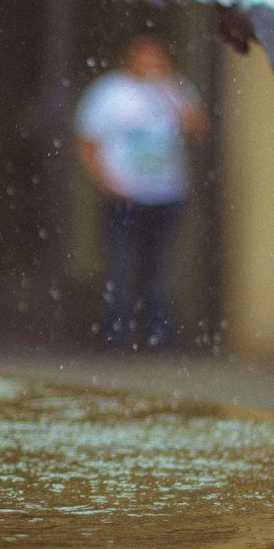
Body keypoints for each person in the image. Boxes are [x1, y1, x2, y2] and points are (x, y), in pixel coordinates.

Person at [73, 34, 209, 351]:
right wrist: (107, 183)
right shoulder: (109, 92)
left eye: (156, 58)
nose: (151, 65)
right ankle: (115, 337)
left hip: (166, 194)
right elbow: (86, 142)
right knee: (121, 267)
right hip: (125, 195)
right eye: (144, 58)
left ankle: (158, 336)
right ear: (129, 59)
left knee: (160, 270)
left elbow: (198, 128)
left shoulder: (174, 89)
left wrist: (169, 89)